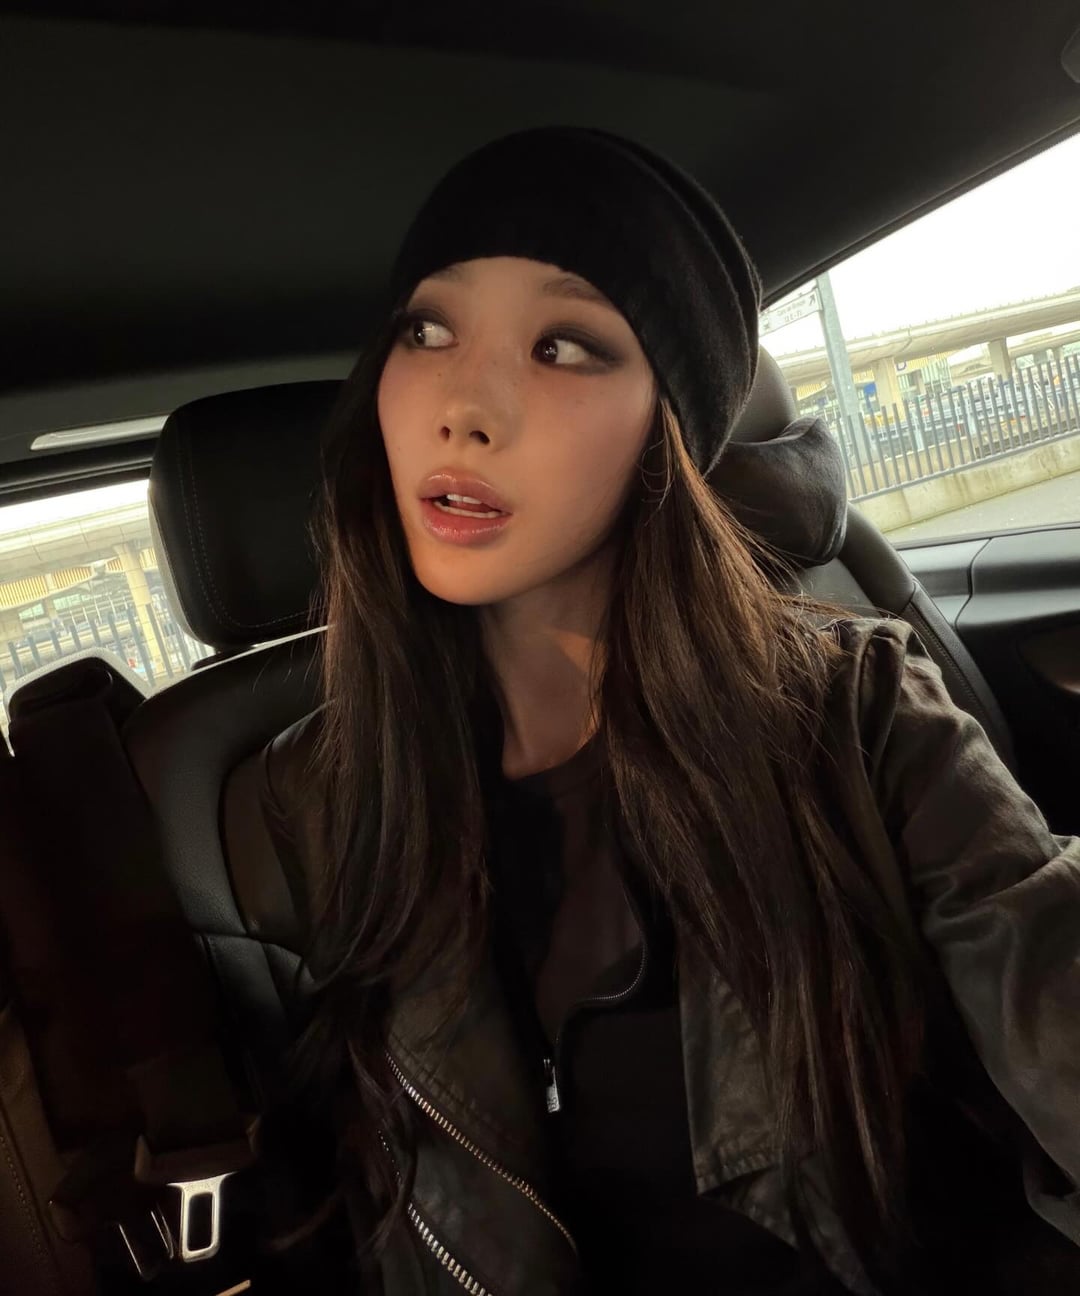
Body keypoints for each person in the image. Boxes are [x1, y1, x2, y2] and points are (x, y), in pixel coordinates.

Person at [258, 127, 1080, 1294]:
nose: (465, 406)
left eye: (562, 345)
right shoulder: (314, 804)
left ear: (669, 431)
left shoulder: (854, 712)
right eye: (427, 331)